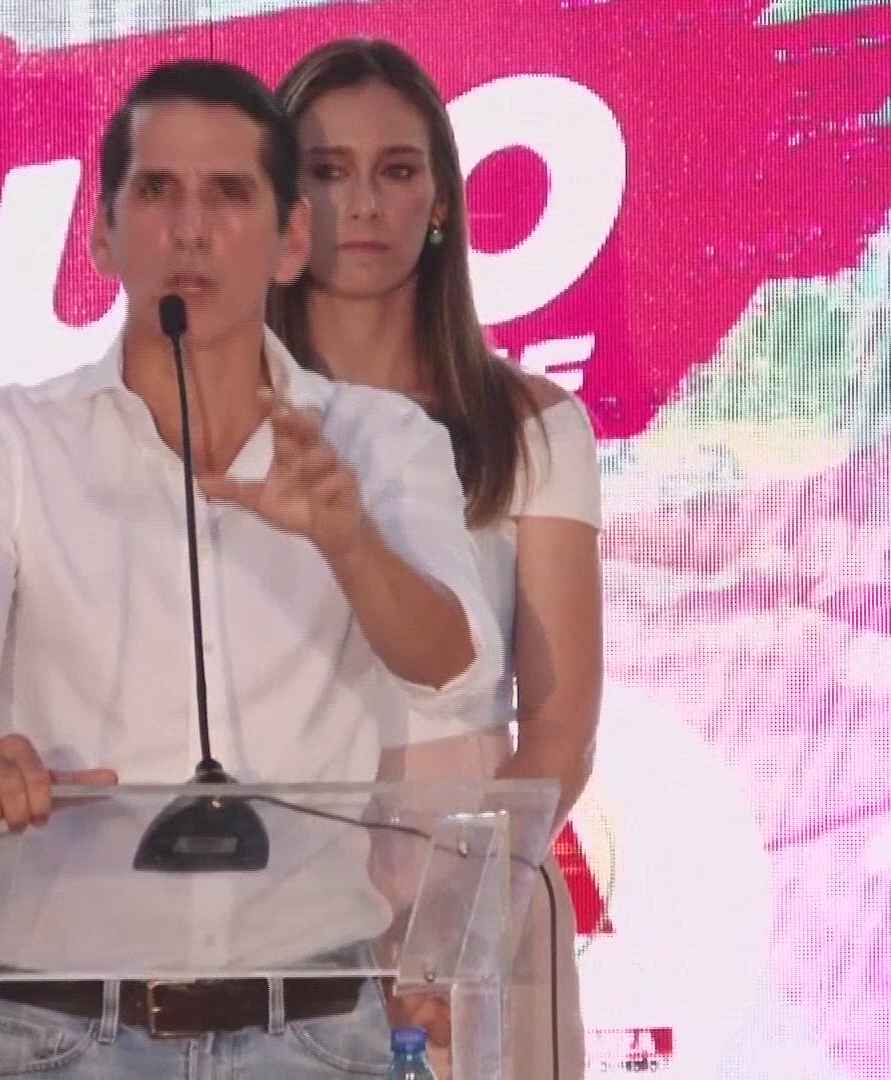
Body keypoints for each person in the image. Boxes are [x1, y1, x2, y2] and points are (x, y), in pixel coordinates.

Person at [0, 58, 503, 1077]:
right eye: (158, 190)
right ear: (102, 234)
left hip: (314, 1028)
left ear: (291, 239)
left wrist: (348, 540)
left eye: (229, 193)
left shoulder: (382, 443)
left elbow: (453, 665)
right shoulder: (6, 441)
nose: (192, 229)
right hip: (60, 1032)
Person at [271, 37, 605, 1080]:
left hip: (476, 866)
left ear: (444, 201)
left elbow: (560, 721)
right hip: (266, 874)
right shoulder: (222, 420)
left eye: (397, 170)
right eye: (327, 171)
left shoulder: (532, 424)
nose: (363, 204)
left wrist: (455, 918)